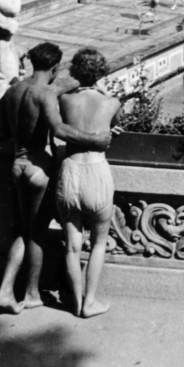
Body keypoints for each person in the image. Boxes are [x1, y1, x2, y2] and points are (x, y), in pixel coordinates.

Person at [0, 44, 111, 314]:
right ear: (56, 68)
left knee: (24, 230)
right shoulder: (45, 94)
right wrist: (96, 139)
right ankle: (31, 294)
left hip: (16, 165)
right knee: (35, 234)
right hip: (38, 168)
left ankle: (6, 290)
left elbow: (0, 131)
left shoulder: (12, 90)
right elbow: (59, 130)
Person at [56, 48, 121, 318]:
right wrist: (104, 93)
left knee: (72, 244)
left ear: (75, 71)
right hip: (97, 172)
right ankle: (89, 302)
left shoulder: (64, 100)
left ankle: (74, 301)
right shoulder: (113, 102)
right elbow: (115, 126)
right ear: (102, 72)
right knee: (98, 242)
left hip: (69, 171)